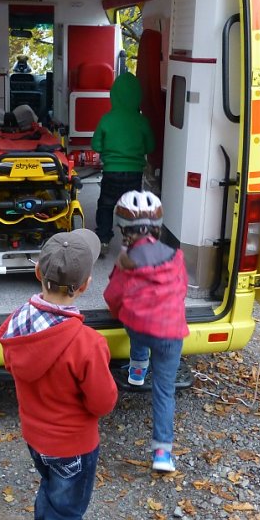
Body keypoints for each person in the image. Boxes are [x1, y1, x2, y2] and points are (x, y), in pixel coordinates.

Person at [0, 228, 117, 520]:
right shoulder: (86, 343)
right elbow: (103, 402)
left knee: (49, 487)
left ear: (38, 273)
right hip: (73, 445)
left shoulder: (17, 322)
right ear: (85, 285)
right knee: (68, 509)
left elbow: (14, 366)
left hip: (35, 435)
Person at [103, 191, 188, 473]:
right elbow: (182, 289)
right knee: (165, 391)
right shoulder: (176, 256)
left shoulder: (125, 262)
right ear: (158, 226)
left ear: (122, 229)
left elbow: (113, 297)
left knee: (133, 320)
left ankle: (137, 371)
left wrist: (123, 313)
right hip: (172, 333)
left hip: (140, 329)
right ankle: (162, 454)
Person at [92, 72, 155, 257]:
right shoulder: (142, 121)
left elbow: (95, 144)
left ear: (114, 95)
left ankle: (103, 240)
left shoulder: (106, 119)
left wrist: (106, 151)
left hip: (111, 172)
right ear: (138, 96)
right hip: (134, 173)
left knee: (105, 205)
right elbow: (151, 146)